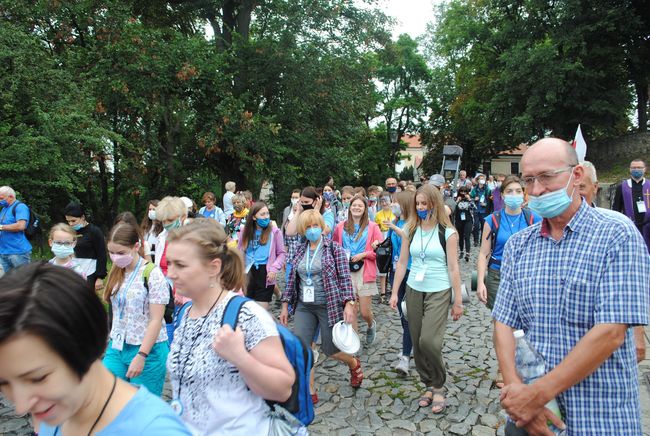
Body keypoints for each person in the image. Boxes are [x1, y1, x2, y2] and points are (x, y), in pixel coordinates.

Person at [493, 139, 650, 435]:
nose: (536, 190)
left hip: (599, 415)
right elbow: (503, 321)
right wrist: (516, 390)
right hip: (533, 419)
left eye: (546, 177)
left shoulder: (617, 234)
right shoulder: (519, 246)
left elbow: (611, 332)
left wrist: (535, 396)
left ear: (576, 176)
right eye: (528, 180)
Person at [0, 262, 190, 436]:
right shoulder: (53, 412)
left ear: (87, 344)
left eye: (38, 378)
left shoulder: (155, 430)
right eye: (4, 384)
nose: (21, 406)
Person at [165, 220, 294, 434]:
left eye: (181, 265)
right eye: (169, 264)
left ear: (214, 267)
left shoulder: (246, 315)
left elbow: (282, 388)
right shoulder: (186, 314)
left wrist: (240, 357)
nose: (171, 273)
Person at [389, 184, 464, 414]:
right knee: (416, 339)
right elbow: (402, 262)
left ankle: (439, 384)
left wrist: (458, 300)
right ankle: (428, 385)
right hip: (413, 289)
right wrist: (394, 291)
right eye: (418, 204)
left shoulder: (448, 233)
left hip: (439, 290)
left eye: (425, 203)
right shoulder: (410, 229)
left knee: (429, 341)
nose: (421, 207)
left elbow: (453, 268)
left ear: (435, 204)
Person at [280, 210, 362, 400]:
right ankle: (309, 391)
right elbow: (292, 280)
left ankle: (353, 363)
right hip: (304, 306)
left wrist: (349, 303)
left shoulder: (334, 249)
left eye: (315, 226)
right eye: (308, 227)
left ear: (322, 226)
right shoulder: (300, 251)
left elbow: (345, 278)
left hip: (328, 304)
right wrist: (285, 304)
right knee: (303, 347)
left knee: (330, 349)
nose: (312, 230)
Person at [475, 175, 541, 388]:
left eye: (518, 191)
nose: (514, 195)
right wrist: (481, 282)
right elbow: (483, 253)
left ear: (524, 195)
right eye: (509, 191)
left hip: (525, 276)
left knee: (521, 324)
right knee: (501, 324)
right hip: (497, 275)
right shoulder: (492, 220)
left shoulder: (534, 219)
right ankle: (503, 368)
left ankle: (522, 362)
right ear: (502, 195)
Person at [580, 162, 646, 364]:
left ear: (595, 187)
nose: (576, 193)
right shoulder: (622, 186)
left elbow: (632, 288)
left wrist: (638, 334)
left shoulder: (617, 230)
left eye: (582, 187)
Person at [102, 223, 170, 397]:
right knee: (109, 397)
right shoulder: (117, 271)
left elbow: (156, 319)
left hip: (147, 350)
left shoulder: (152, 274)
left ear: (136, 246)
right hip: (118, 346)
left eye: (121, 253)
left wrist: (142, 355)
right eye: (111, 252)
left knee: (139, 407)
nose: (115, 258)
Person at [333, 196, 383, 345]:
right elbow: (334, 248)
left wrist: (364, 254)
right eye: (354, 205)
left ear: (365, 209)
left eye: (360, 206)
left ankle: (370, 324)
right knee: (351, 309)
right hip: (346, 271)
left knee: (364, 311)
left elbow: (379, 252)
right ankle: (354, 343)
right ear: (349, 207)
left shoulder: (373, 227)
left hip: (365, 270)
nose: (356, 208)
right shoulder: (340, 227)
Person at [384, 191, 416, 376]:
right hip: (395, 272)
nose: (393, 204)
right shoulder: (395, 222)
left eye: (396, 202)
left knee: (407, 314)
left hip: (410, 272)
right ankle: (409, 345)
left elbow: (408, 239)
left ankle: (405, 356)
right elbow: (391, 244)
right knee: (403, 316)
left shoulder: (412, 223)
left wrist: (395, 229)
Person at [238, 201, 286, 310]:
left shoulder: (275, 232)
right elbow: (240, 250)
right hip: (248, 272)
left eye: (267, 213)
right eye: (262, 214)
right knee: (248, 310)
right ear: (254, 217)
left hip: (265, 272)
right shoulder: (244, 231)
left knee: (261, 311)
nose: (266, 217)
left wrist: (274, 269)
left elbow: (281, 253)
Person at [63, 201, 107, 291]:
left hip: (89, 273)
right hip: (71, 272)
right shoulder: (69, 231)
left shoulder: (94, 231)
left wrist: (99, 277)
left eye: (73, 221)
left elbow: (101, 254)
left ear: (82, 217)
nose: (71, 224)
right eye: (68, 221)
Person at [613, 158, 649, 253]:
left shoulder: (649, 185)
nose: (636, 170)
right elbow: (616, 209)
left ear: (645, 169)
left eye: (639, 167)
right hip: (630, 226)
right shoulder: (622, 187)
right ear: (630, 169)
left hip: (648, 227)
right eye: (634, 168)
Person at [0, 186, 31, 273]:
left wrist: (1, 227)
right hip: (3, 251)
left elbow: (21, 226)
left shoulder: (20, 207)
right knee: (9, 282)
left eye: (1, 198)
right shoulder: (4, 209)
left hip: (17, 252)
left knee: (22, 280)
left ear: (11, 196)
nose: (0, 201)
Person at [374, 194, 396, 303]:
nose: (384, 203)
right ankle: (382, 292)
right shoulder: (378, 214)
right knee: (382, 265)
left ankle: (393, 289)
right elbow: (376, 228)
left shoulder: (395, 214)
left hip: (393, 237)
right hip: (382, 237)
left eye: (386, 201)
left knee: (393, 265)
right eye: (382, 201)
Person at [470, 174, 492, 245]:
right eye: (480, 179)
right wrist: (474, 199)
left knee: (483, 226)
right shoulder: (475, 189)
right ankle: (475, 240)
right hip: (476, 209)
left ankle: (482, 241)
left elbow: (490, 200)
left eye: (483, 179)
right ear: (478, 180)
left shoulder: (487, 190)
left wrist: (486, 204)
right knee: (476, 225)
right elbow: (470, 198)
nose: (482, 180)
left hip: (484, 211)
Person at [454, 186, 475, 261]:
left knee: (467, 236)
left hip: (468, 220)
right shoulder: (456, 199)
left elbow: (474, 207)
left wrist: (469, 200)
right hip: (459, 220)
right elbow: (452, 209)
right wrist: (456, 201)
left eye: (465, 191)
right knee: (460, 237)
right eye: (461, 191)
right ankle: (461, 251)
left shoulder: (469, 199)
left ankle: (468, 254)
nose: (463, 193)